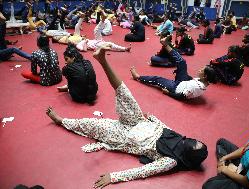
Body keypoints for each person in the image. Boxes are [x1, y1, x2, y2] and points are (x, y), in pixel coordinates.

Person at [46, 44, 208, 188]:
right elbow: (165, 128)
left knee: (92, 124)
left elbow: (144, 171)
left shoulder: (171, 161)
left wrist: (114, 177)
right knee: (125, 93)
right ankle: (102, 60)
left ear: (190, 156)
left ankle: (62, 121)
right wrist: (152, 118)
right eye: (195, 142)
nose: (191, 142)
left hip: (128, 137)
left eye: (194, 146)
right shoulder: (181, 139)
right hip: (140, 121)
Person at [131, 37, 217, 100]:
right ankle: (166, 45)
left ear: (205, 76)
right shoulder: (203, 81)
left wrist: (168, 93)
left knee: (157, 79)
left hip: (176, 87)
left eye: (201, 70)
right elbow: (191, 80)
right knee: (182, 63)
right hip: (184, 82)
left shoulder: (195, 87)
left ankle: (138, 77)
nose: (199, 70)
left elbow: (181, 97)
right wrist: (182, 72)